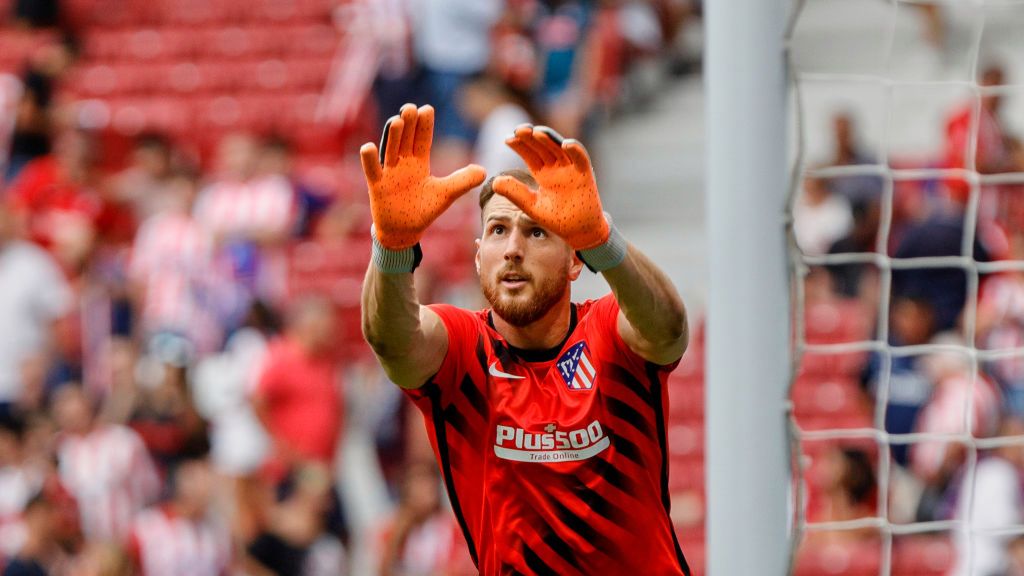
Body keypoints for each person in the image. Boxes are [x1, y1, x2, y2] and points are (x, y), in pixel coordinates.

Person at [360, 103, 691, 575]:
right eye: (498, 230)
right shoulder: (462, 348)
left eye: (537, 232)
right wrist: (391, 247)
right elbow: (393, 340)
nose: (513, 248)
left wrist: (602, 239)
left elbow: (668, 328)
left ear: (575, 260)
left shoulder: (608, 333)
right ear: (479, 259)